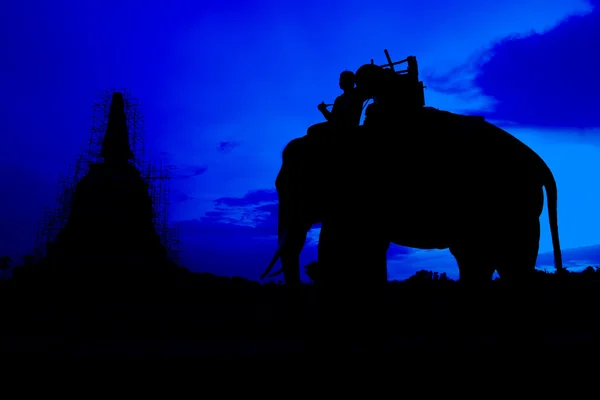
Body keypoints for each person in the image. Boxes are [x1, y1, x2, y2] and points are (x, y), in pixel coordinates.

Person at [307, 70, 365, 137]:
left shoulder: (350, 96)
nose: (339, 83)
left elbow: (332, 119)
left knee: (312, 130)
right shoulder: (355, 95)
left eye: (341, 80)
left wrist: (323, 110)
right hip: (347, 126)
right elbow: (333, 119)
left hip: (342, 128)